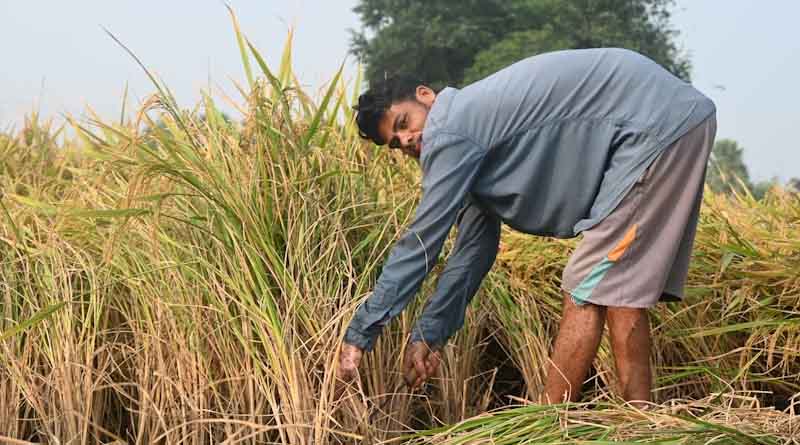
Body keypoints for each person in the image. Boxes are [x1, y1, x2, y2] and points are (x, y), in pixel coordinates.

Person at [336, 47, 716, 404]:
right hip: (662, 121)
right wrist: (429, 336)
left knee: (585, 285)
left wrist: (360, 334)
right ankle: (641, 422)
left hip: (654, 124)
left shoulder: (452, 128)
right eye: (396, 143)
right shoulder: (468, 142)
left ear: (426, 96)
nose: (407, 140)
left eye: (404, 123)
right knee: (613, 285)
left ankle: (549, 423)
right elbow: (472, 251)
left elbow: (422, 242)